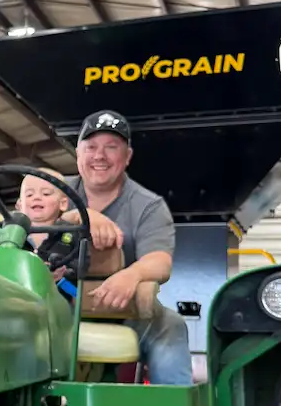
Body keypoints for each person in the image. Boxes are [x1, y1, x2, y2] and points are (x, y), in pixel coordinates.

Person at [63, 110, 193, 385]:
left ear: (127, 157)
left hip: (122, 310)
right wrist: (83, 215)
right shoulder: (55, 192)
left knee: (170, 327)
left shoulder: (149, 206)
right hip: (58, 302)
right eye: (91, 147)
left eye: (111, 147)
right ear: (78, 153)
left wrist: (130, 275)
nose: (100, 156)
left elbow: (160, 261)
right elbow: (25, 222)